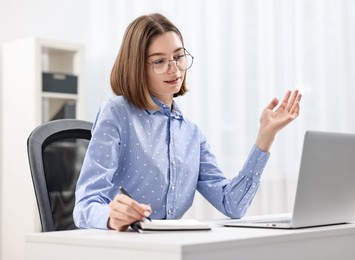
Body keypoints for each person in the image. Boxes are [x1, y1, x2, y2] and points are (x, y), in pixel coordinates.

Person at [73, 13, 302, 231]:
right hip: (125, 247)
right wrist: (111, 217)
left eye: (178, 56)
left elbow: (233, 204)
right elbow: (85, 206)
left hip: (171, 249)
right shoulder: (117, 112)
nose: (174, 69)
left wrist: (266, 135)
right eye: (159, 61)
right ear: (136, 67)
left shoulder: (191, 133)